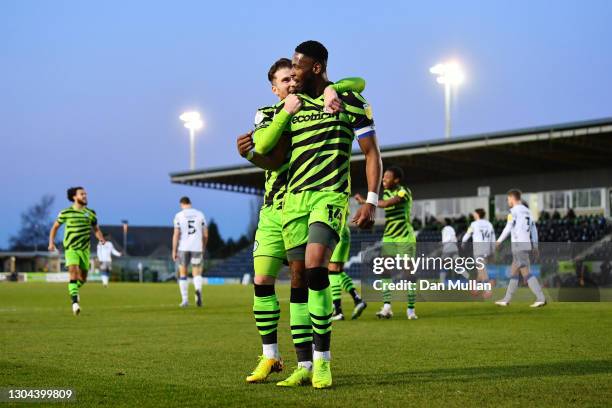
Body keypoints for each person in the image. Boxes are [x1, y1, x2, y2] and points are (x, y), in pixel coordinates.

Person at [245, 40, 382, 388]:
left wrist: (371, 199)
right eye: (288, 70)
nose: (294, 74)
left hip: (330, 198)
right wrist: (282, 116)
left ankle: (323, 362)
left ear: (316, 68)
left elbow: (370, 151)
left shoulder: (348, 102)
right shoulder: (294, 105)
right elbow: (266, 151)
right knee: (299, 283)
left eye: (298, 67)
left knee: (317, 267)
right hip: (293, 202)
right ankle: (302, 365)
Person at [356, 166, 417, 320]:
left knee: (408, 273)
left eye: (387, 177)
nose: (383, 179)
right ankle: (387, 307)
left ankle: (410, 310)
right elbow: (383, 204)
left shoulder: (403, 191)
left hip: (404, 236)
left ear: (396, 180)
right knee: (384, 270)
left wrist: (365, 201)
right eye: (383, 177)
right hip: (389, 235)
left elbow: (390, 203)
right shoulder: (385, 192)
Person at [48, 187, 105, 315]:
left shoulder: (90, 213)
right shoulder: (65, 213)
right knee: (73, 273)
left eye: (86, 194)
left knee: (83, 278)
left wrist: (101, 239)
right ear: (74, 197)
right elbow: (54, 228)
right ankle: (75, 303)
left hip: (85, 250)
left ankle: (74, 290)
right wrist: (51, 243)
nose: (85, 196)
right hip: (71, 249)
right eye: (82, 194)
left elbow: (96, 229)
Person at [495, 190, 546, 307]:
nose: (508, 201)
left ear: (513, 198)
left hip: (518, 245)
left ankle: (541, 298)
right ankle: (506, 299)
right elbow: (534, 230)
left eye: (508, 199)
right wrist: (535, 245)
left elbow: (508, 228)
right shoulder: (528, 211)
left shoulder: (513, 211)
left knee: (526, 273)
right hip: (526, 244)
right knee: (514, 271)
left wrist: (498, 241)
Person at [172, 196, 208, 308]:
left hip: (183, 247)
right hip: (197, 247)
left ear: (182, 204)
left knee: (183, 273)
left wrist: (174, 250)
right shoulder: (200, 214)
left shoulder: (179, 215)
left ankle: (185, 300)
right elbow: (206, 234)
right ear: (190, 203)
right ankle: (198, 292)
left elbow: (176, 234)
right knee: (196, 272)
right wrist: (203, 246)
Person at [329, 221, 367, 321]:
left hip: (335, 230)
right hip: (344, 230)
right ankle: (357, 299)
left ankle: (337, 311)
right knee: (338, 272)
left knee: (332, 271)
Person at [462, 208, 496, 297]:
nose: (473, 215)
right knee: (481, 270)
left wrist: (463, 242)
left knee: (482, 270)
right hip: (487, 249)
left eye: (474, 213)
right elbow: (493, 238)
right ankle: (475, 288)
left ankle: (488, 290)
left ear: (477, 214)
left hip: (478, 249)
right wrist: (492, 250)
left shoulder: (474, 224)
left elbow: (467, 235)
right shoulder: (489, 224)